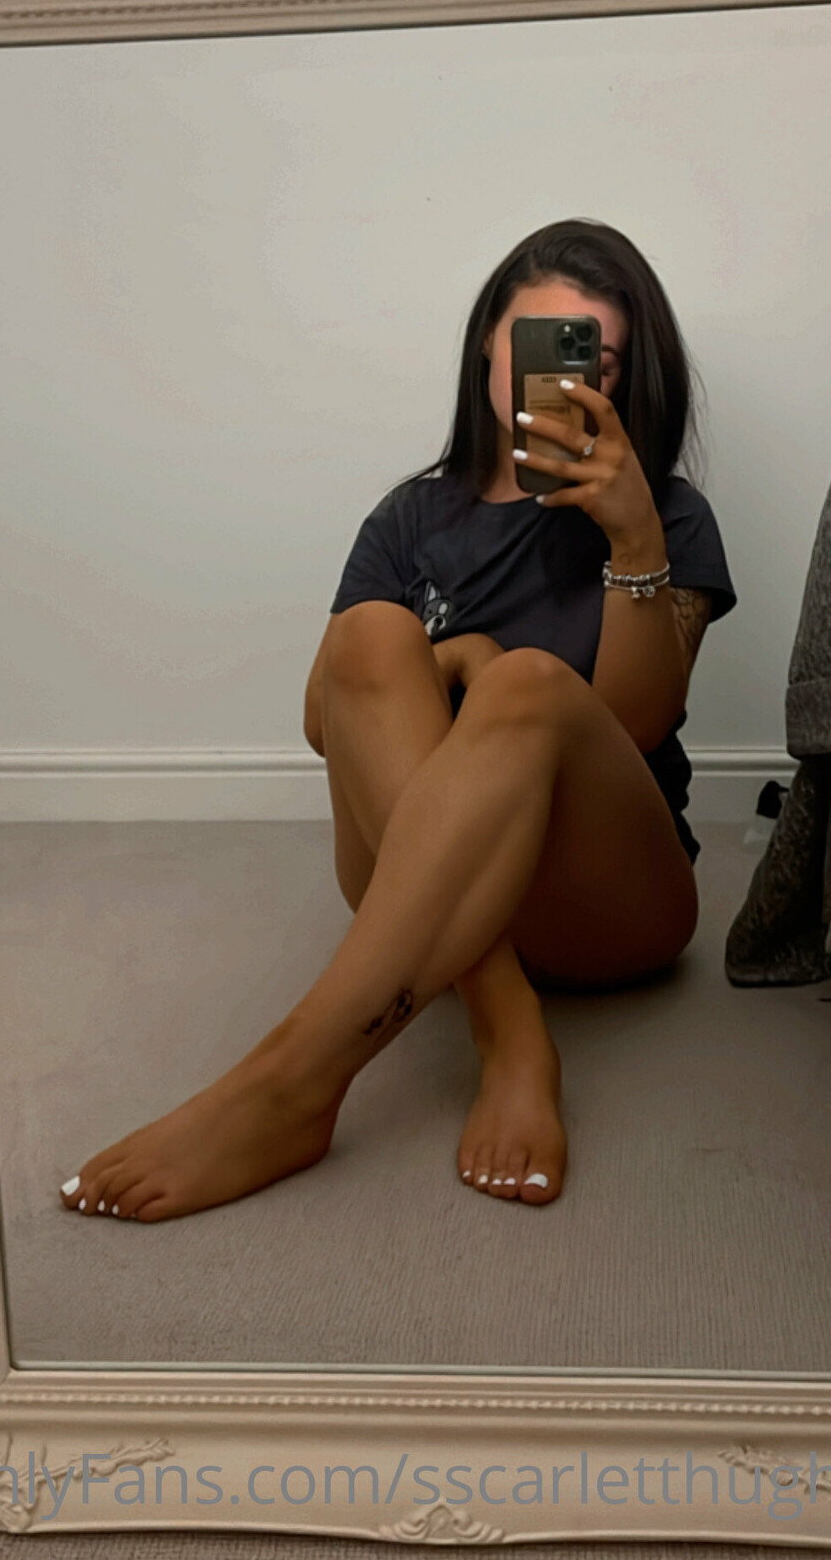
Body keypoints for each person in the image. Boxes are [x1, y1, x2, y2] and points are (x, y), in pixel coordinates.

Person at [59, 220, 736, 1224]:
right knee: (375, 633)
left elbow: (638, 723)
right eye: (542, 342)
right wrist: (456, 652)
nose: (564, 377)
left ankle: (292, 1076)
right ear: (489, 342)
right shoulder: (413, 518)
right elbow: (325, 710)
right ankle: (509, 1029)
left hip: (612, 900)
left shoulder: (667, 513)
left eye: (595, 358)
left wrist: (632, 534)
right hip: (431, 885)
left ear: (625, 378)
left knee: (527, 685)